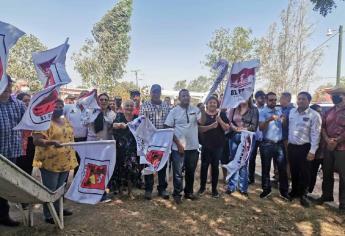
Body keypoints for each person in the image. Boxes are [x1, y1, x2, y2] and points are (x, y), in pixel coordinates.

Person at [32, 99, 77, 224]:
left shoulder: (65, 120)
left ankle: (59, 209)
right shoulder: (43, 122)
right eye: (55, 106)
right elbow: (36, 141)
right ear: (48, 108)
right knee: (51, 189)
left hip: (66, 160)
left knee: (60, 188)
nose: (58, 108)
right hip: (50, 162)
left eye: (60, 106)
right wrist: (52, 142)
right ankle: (48, 214)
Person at [164, 89, 206, 204]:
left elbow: (201, 122)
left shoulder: (195, 109)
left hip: (193, 147)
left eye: (187, 96)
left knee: (190, 171)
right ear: (179, 98)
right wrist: (178, 144)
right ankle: (177, 194)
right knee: (178, 173)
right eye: (183, 96)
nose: (186, 98)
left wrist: (203, 111)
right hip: (178, 148)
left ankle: (189, 192)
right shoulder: (174, 111)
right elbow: (168, 128)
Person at [287, 92, 321, 207]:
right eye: (299, 99)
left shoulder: (314, 115)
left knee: (305, 173)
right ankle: (294, 192)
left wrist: (312, 151)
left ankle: (303, 195)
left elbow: (316, 134)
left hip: (305, 148)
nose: (300, 101)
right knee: (294, 170)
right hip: (292, 147)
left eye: (303, 99)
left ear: (309, 101)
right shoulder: (292, 112)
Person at [0, 76, 26, 227]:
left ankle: (3, 215)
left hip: (12, 153)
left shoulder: (18, 103)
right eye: (5, 86)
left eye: (10, 86)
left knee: (6, 186)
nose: (9, 89)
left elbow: (30, 120)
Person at [317, 85, 345, 213]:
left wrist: (337, 141)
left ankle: (343, 203)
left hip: (342, 149)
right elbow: (323, 127)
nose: (333, 97)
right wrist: (328, 140)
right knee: (327, 172)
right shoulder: (328, 111)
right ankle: (327, 195)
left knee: (343, 176)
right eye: (333, 95)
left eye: (337, 95)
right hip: (328, 147)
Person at [140, 84, 170, 200]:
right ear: (151, 93)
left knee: (162, 165)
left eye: (158, 92)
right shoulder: (145, 105)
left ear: (160, 93)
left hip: (163, 142)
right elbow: (142, 122)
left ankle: (162, 188)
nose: (156, 94)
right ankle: (148, 189)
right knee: (149, 164)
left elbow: (168, 123)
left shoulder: (166, 106)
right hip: (149, 141)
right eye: (154, 91)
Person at [259, 92, 289, 200]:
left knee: (282, 169)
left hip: (279, 144)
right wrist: (269, 119)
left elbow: (284, 126)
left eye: (275, 100)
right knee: (266, 168)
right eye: (271, 100)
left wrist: (284, 120)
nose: (273, 102)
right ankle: (266, 190)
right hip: (267, 144)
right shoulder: (263, 112)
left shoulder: (279, 110)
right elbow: (261, 128)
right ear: (266, 100)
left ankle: (284, 191)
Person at [226, 98, 259, 196]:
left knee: (243, 162)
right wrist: (234, 128)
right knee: (233, 161)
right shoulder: (234, 108)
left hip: (247, 138)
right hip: (234, 137)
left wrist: (242, 129)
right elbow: (229, 121)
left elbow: (254, 126)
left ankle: (243, 188)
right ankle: (231, 186)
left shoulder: (254, 109)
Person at [198, 96, 229, 198]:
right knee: (204, 166)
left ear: (217, 104)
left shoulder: (222, 114)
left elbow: (226, 128)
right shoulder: (203, 114)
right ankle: (202, 188)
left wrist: (220, 121)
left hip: (218, 146)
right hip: (206, 145)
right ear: (207, 104)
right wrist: (211, 126)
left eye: (214, 103)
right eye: (210, 102)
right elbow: (199, 129)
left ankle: (214, 190)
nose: (212, 104)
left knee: (215, 167)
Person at [112, 100, 140, 199]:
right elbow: (113, 125)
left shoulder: (137, 118)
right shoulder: (119, 116)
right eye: (127, 106)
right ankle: (120, 191)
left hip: (133, 147)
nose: (129, 107)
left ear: (134, 107)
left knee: (132, 169)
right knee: (120, 168)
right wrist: (119, 125)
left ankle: (130, 192)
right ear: (123, 107)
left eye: (131, 106)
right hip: (120, 147)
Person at [64, 90, 89, 175]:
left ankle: (77, 182)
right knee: (67, 162)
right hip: (70, 140)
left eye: (87, 97)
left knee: (81, 162)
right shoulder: (69, 107)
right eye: (83, 96)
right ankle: (64, 181)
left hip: (84, 140)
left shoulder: (90, 110)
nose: (84, 98)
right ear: (79, 97)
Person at [15, 93, 35, 177]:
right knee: (18, 167)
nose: (28, 102)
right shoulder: (15, 112)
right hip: (18, 143)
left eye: (29, 100)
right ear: (19, 102)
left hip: (31, 142)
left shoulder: (33, 113)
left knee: (28, 167)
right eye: (25, 101)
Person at [248, 90, 266, 184]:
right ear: (256, 98)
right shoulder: (252, 109)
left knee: (264, 160)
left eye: (264, 97)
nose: (263, 99)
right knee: (251, 158)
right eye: (261, 97)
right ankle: (251, 178)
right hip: (253, 137)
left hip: (264, 138)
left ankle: (264, 181)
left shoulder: (267, 109)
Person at [308, 104, 324, 194]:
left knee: (323, 174)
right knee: (311, 171)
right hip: (311, 151)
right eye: (318, 111)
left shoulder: (323, 122)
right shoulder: (310, 121)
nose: (319, 114)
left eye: (320, 112)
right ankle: (308, 190)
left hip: (322, 152)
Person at [280, 92, 295, 179]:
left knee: (287, 159)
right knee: (281, 159)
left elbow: (288, 125)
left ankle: (287, 179)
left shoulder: (292, 110)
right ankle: (280, 177)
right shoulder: (281, 109)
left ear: (287, 99)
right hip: (280, 138)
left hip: (287, 138)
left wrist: (283, 120)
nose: (280, 100)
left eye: (281, 98)